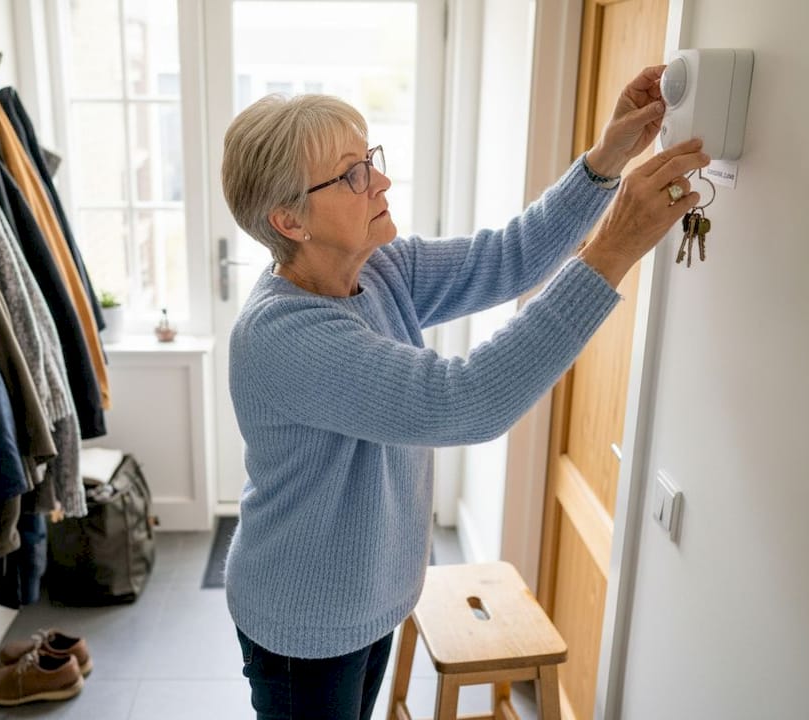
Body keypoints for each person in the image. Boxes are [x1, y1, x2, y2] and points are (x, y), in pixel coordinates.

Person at [220, 66, 709, 720]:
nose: (382, 182)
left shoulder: (377, 266)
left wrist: (608, 157)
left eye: (371, 160)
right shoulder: (283, 334)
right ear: (290, 220)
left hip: (368, 602)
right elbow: (466, 401)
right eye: (353, 175)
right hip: (302, 622)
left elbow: (507, 260)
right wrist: (614, 245)